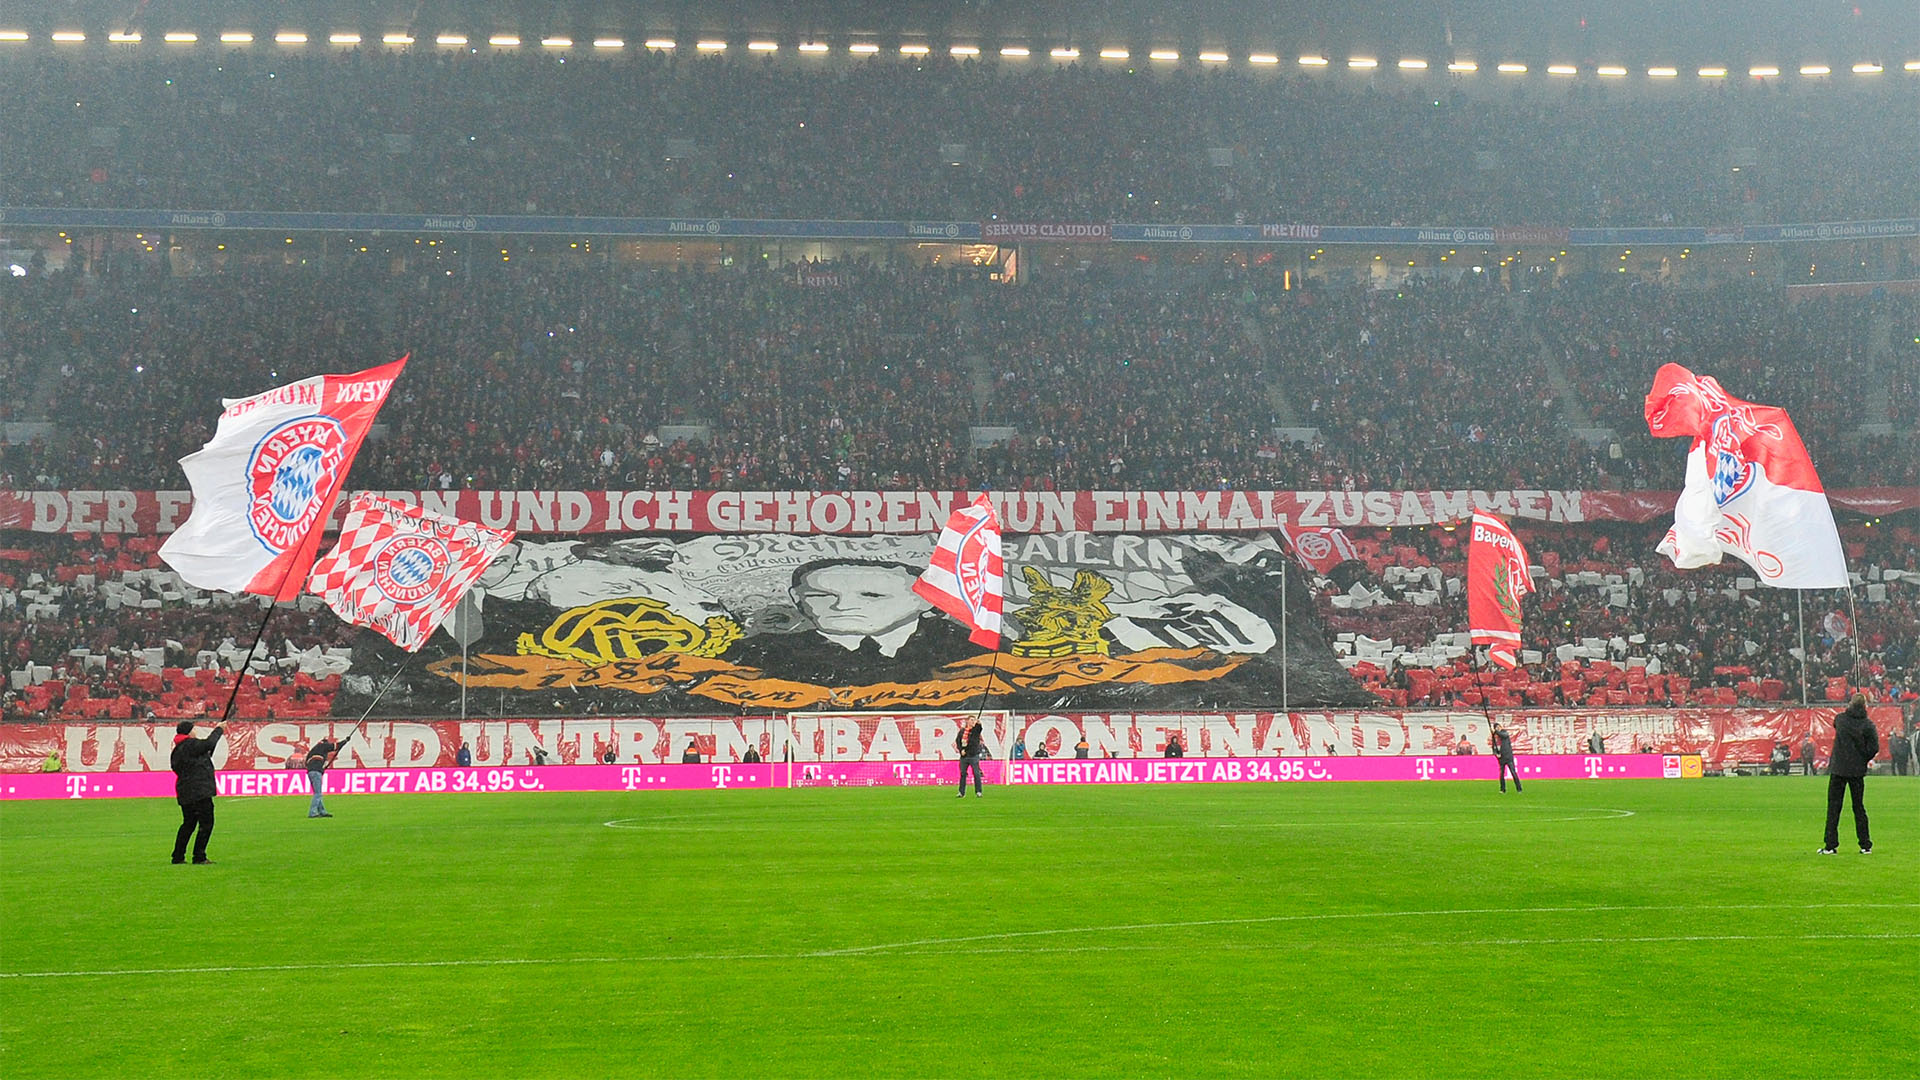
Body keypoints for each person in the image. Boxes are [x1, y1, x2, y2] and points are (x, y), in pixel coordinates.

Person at [728, 559, 986, 686]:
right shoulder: (759, 653)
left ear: (926, 600)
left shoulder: (970, 649)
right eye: (821, 596)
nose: (842, 606)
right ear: (797, 599)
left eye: (873, 595)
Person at [1821, 694, 1879, 855]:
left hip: (1839, 769)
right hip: (1856, 771)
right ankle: (1865, 844)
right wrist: (1862, 758)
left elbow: (1836, 723)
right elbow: (1874, 747)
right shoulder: (1868, 725)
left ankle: (1830, 845)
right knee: (1859, 808)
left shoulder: (1840, 720)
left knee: (1834, 808)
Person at [170, 719, 224, 864]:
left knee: (188, 823)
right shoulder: (190, 745)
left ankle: (178, 856)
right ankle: (199, 856)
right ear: (189, 731)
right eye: (194, 730)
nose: (195, 732)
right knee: (206, 823)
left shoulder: (177, 750)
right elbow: (209, 743)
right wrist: (219, 730)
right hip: (199, 791)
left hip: (185, 791)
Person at [305, 732, 352, 818]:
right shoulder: (322, 746)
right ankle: (312, 812)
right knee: (318, 794)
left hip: (311, 772)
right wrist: (345, 741)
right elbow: (335, 746)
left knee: (317, 792)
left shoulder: (313, 751)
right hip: (316, 772)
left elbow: (307, 763)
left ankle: (322, 811)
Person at [956, 718, 985, 797]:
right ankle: (961, 792)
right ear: (967, 721)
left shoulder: (975, 731)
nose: (973, 721)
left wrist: (979, 724)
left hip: (973, 755)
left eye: (974, 720)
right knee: (963, 774)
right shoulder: (962, 731)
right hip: (964, 756)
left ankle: (978, 792)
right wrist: (961, 750)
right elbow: (958, 741)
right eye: (971, 720)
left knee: (976, 773)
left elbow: (978, 729)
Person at [1491, 723, 1522, 793]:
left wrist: (1496, 732)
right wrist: (1496, 754)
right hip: (1501, 758)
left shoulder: (1504, 732)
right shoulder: (1495, 737)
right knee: (1501, 774)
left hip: (1508, 756)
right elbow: (1493, 747)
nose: (1498, 728)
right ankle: (1502, 789)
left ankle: (1519, 788)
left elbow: (1504, 735)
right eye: (1496, 728)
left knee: (1513, 772)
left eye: (1498, 727)